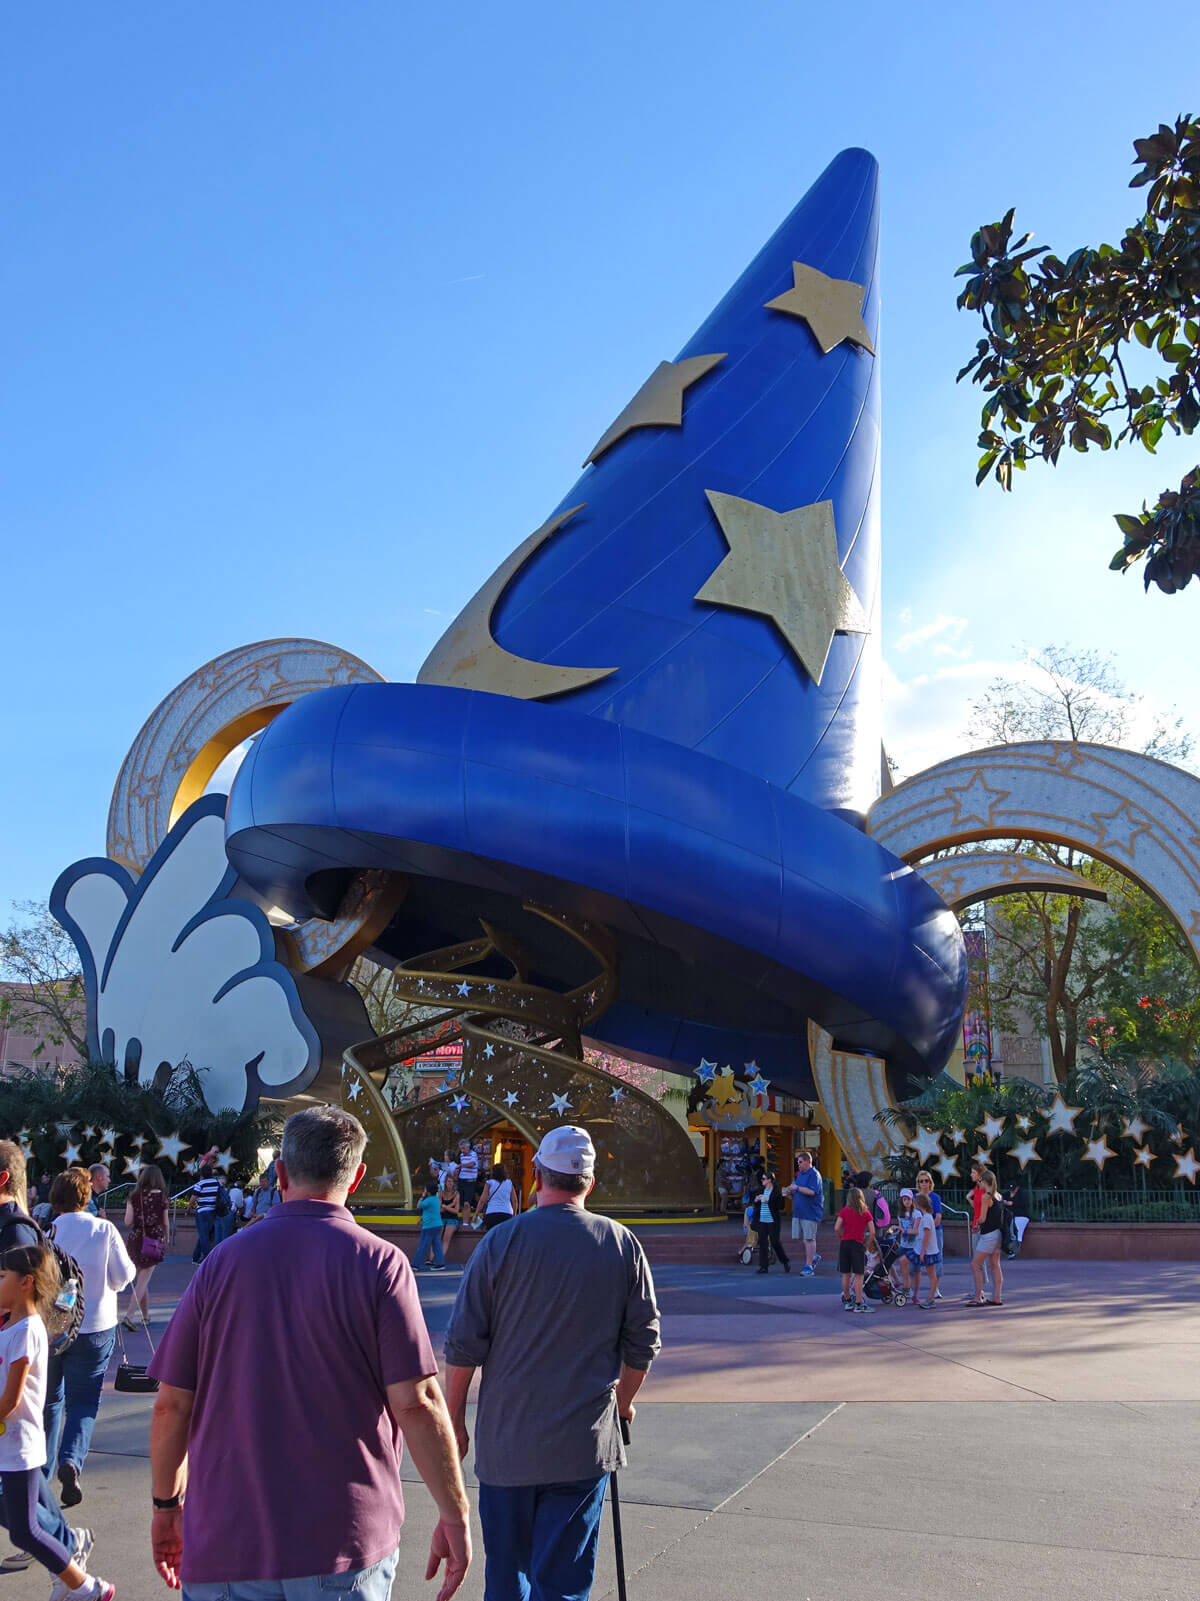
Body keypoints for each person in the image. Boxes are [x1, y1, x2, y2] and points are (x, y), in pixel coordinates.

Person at [147, 1105, 471, 1600]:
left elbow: (172, 1404)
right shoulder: (381, 1264)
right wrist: (454, 1513)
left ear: (279, 1173)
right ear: (357, 1176)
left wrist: (166, 1505)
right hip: (340, 1542)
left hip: (225, 1544)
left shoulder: (219, 1263)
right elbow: (417, 1402)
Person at [444, 1126, 659, 1601]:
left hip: (507, 1446)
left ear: (537, 1175)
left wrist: (454, 1422)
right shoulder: (622, 1244)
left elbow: (462, 1348)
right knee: (562, 1586)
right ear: (590, 1184)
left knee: (505, 1581)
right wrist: (621, 1403)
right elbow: (644, 1344)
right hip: (581, 1447)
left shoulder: (499, 1244)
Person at [0, 1244, 114, 1601]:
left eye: (2, 1276)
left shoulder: (28, 1330)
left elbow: (11, 1399)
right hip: (10, 1444)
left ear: (26, 1283)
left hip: (19, 1448)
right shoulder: (12, 1326)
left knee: (26, 1531)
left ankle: (86, 1586)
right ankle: (76, 1575)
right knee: (22, 1525)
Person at [0, 1144, 93, 1581]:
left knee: (22, 1497)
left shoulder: (15, 1234)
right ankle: (64, 1545)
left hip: (16, 1369)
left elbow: (19, 1308)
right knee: (24, 1496)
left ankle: (67, 1556)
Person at [44, 1168, 136, 1508]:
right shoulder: (103, 1229)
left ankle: (43, 1470)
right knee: (83, 1402)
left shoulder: (46, 1232)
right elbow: (122, 1277)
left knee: (50, 1400)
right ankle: (72, 1459)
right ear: (86, 1195)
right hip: (95, 1324)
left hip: (54, 1325)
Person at [123, 1165, 170, 1330]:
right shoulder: (162, 1197)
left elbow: (127, 1222)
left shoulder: (133, 1196)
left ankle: (145, 1316)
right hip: (153, 1240)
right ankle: (129, 1316)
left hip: (135, 1240)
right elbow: (165, 1222)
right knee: (143, 1281)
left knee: (142, 1281)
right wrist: (167, 1236)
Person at [835, 1186, 876, 1313]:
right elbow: (872, 1232)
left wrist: (842, 1238)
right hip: (857, 1244)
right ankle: (859, 1302)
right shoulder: (865, 1212)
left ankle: (848, 1300)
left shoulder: (844, 1211)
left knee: (846, 1273)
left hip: (845, 1243)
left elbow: (837, 1228)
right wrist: (866, 1244)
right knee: (859, 1274)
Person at [968, 1170, 1005, 1307]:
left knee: (975, 1264)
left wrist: (977, 1225)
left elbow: (982, 1218)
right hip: (998, 1234)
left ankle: (978, 1297)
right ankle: (997, 1296)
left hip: (988, 1235)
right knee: (995, 1265)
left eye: (980, 1182)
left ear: (984, 1181)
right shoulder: (998, 1196)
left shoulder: (986, 1197)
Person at [785, 1150, 823, 1275]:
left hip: (810, 1212)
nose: (799, 1164)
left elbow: (812, 1192)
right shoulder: (800, 1174)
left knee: (809, 1238)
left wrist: (796, 1188)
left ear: (808, 1161)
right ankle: (813, 1256)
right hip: (799, 1212)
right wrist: (791, 1193)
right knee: (803, 1238)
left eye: (800, 1162)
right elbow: (800, 1191)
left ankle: (809, 1266)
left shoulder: (814, 1174)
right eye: (798, 1162)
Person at [750, 1170, 790, 1275]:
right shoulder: (760, 1190)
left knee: (775, 1241)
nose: (762, 1181)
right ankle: (763, 1266)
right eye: (762, 1179)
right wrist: (756, 1200)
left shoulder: (776, 1191)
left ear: (770, 1180)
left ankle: (785, 1261)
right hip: (762, 1220)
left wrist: (769, 1200)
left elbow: (780, 1206)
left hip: (773, 1220)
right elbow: (755, 1204)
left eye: (764, 1179)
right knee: (763, 1242)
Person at [914, 1170, 945, 1299]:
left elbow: (938, 1217)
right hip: (918, 1233)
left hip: (934, 1232)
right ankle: (913, 1288)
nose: (924, 1183)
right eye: (921, 1181)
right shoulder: (915, 1198)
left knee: (936, 1260)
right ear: (918, 1183)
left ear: (930, 1182)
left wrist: (929, 1229)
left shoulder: (935, 1197)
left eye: (926, 1180)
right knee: (915, 1260)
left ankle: (935, 1288)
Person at [190, 1160, 222, 1263]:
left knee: (203, 1235)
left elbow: (193, 1198)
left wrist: (189, 1207)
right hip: (213, 1211)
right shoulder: (216, 1183)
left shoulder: (200, 1184)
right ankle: (195, 1257)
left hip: (202, 1212)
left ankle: (207, 1259)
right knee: (204, 1234)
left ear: (202, 1174)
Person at [911, 1195, 940, 1308]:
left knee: (931, 1275)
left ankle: (931, 1299)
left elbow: (926, 1236)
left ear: (919, 1204)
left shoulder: (927, 1218)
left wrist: (922, 1251)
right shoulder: (926, 1217)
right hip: (929, 1250)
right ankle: (930, 1298)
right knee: (931, 1275)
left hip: (929, 1251)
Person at [415, 1183, 447, 1271]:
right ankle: (440, 1263)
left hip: (429, 1226)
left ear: (428, 1192)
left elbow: (418, 1206)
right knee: (437, 1245)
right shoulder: (436, 1200)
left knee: (423, 1245)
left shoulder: (428, 1200)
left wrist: (422, 1196)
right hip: (437, 1225)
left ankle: (415, 1264)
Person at [895, 1188, 920, 1302]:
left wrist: (902, 1230)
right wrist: (897, 1230)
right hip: (904, 1244)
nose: (907, 1201)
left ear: (912, 1200)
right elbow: (901, 1228)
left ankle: (915, 1294)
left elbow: (915, 1231)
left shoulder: (916, 1214)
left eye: (908, 1199)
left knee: (915, 1270)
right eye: (904, 1199)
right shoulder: (900, 1214)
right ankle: (907, 1287)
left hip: (914, 1246)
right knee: (901, 1266)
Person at [479, 1162, 515, 1231]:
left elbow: (482, 1200)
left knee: (492, 1236)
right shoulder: (509, 1183)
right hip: (507, 1213)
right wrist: (514, 1215)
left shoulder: (489, 1183)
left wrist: (476, 1214)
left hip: (492, 1213)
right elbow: (514, 1201)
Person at [455, 1141, 480, 1228]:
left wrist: (461, 1165)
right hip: (462, 1180)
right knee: (461, 1202)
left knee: (467, 1203)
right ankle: (463, 1221)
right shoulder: (462, 1156)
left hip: (470, 1181)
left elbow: (472, 1164)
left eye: (464, 1148)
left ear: (468, 1147)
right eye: (461, 1148)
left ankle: (466, 1222)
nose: (462, 1151)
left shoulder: (473, 1154)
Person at [1004, 1178, 1031, 1256]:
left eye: (1013, 1189)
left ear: (1017, 1188)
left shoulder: (1021, 1195)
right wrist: (1005, 1202)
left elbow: (1024, 1205)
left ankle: (1014, 1249)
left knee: (1017, 1229)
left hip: (1021, 1216)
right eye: (1010, 1189)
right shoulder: (1006, 1194)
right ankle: (1011, 1248)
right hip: (1010, 1217)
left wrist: (1012, 1203)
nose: (1012, 1191)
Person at [439, 1170, 462, 1260]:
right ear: (445, 1182)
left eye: (452, 1182)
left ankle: (439, 1259)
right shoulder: (441, 1193)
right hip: (442, 1218)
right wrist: (451, 1205)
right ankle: (431, 1259)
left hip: (453, 1219)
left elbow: (456, 1211)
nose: (450, 1183)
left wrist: (445, 1206)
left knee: (446, 1238)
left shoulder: (456, 1194)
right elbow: (439, 1210)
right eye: (448, 1181)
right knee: (437, 1236)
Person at [220, 1177, 244, 1243]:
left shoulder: (227, 1189)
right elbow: (240, 1205)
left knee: (219, 1233)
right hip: (229, 1213)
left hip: (221, 1212)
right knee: (226, 1234)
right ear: (242, 1187)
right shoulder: (239, 1192)